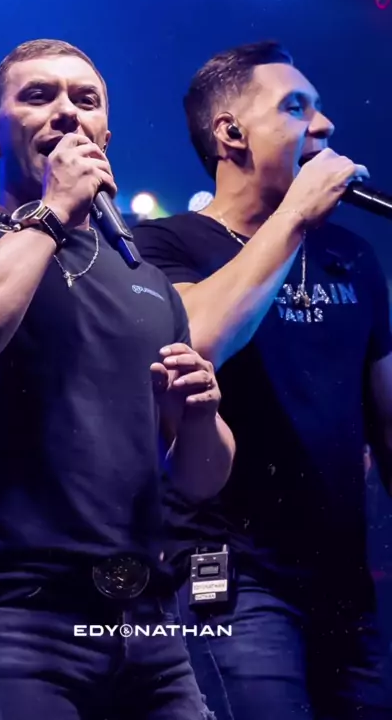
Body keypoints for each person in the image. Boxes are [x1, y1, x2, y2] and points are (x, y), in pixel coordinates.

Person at [0, 38, 235, 720]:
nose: (67, 112)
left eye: (85, 100)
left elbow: (199, 477)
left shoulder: (150, 284)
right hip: (8, 618)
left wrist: (203, 413)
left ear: (104, 136)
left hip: (148, 627)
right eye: (39, 96)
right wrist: (53, 211)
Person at [133, 41, 392, 720]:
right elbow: (198, 339)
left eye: (320, 107)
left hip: (346, 585)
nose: (325, 124)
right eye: (296, 107)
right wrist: (296, 214)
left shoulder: (352, 256)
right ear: (231, 134)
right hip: (232, 578)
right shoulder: (165, 244)